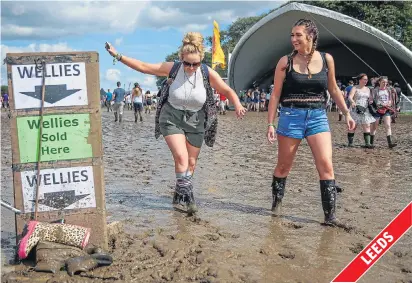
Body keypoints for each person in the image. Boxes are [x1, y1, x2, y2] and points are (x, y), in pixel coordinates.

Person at [105, 32, 246, 214]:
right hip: (171, 117)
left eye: (195, 64)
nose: (190, 67)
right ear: (181, 58)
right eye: (187, 63)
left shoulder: (206, 72)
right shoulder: (172, 68)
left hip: (196, 120)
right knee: (181, 158)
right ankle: (189, 198)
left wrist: (238, 103)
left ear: (201, 61)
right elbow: (143, 67)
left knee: (192, 163)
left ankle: (180, 192)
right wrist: (118, 55)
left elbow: (226, 89)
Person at [266, 19, 355, 227]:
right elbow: (275, 94)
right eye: (292, 35)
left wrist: (347, 113)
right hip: (291, 116)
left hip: (318, 117)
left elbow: (333, 89)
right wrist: (270, 123)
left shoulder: (327, 59)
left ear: (310, 36)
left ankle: (330, 217)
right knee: (283, 166)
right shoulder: (285, 62)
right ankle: (276, 206)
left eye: (298, 35)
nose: (293, 39)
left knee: (326, 165)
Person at [347, 73, 375, 148]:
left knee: (367, 125)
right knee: (353, 126)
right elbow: (350, 97)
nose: (366, 81)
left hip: (365, 109)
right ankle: (350, 143)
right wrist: (352, 102)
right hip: (355, 108)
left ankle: (367, 143)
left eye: (367, 79)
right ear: (360, 80)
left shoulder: (368, 89)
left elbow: (369, 99)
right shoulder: (355, 88)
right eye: (364, 79)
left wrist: (371, 102)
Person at [370, 76, 397, 148]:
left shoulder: (388, 90)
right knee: (374, 127)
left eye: (386, 82)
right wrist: (379, 104)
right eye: (383, 82)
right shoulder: (375, 90)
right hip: (377, 110)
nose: (385, 84)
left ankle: (390, 143)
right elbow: (371, 100)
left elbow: (390, 99)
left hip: (386, 109)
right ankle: (371, 143)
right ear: (379, 82)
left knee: (388, 125)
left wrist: (389, 103)